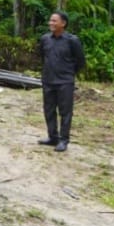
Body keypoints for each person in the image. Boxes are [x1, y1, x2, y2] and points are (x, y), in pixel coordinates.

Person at [36, 11, 85, 153]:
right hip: (48, 80)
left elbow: (80, 61)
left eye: (54, 21)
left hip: (65, 82)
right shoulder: (45, 39)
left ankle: (64, 140)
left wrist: (68, 73)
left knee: (65, 111)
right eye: (50, 20)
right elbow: (42, 57)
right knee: (49, 110)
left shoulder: (72, 40)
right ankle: (53, 137)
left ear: (63, 23)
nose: (51, 23)